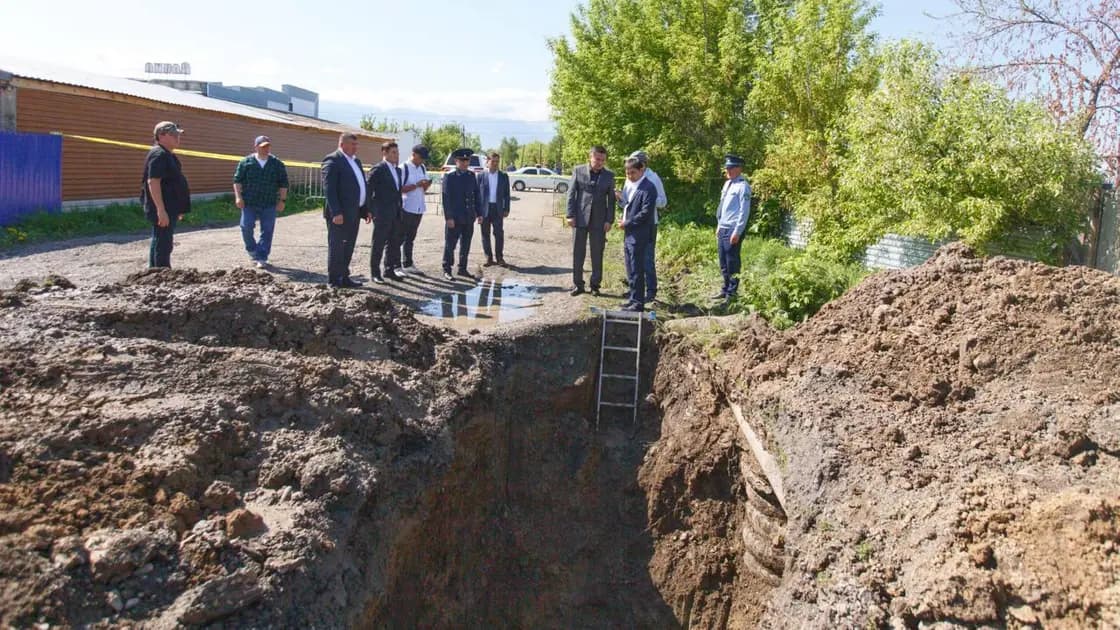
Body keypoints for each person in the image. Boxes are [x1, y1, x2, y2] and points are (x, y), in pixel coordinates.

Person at [321, 133, 370, 288]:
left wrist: (365, 209)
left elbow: (360, 186)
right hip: (340, 214)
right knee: (337, 247)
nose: (356, 147)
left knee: (348, 246)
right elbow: (329, 189)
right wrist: (336, 212)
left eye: (356, 144)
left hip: (354, 212)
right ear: (343, 144)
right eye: (353, 144)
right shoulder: (333, 160)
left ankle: (345, 277)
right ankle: (334, 280)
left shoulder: (356, 161)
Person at [233, 135, 289, 269]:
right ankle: (252, 249)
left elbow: (283, 183)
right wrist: (238, 197)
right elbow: (237, 181)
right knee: (246, 226)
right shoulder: (246, 162)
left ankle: (262, 256)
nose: (266, 149)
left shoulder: (277, 164)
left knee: (267, 230)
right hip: (249, 202)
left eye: (268, 146)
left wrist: (282, 200)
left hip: (269, 202)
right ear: (256, 147)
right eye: (263, 146)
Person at [565, 146, 615, 296]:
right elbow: (571, 193)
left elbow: (611, 200)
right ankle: (578, 285)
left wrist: (609, 220)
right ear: (590, 157)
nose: (600, 162)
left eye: (602, 160)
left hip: (600, 221)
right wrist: (570, 215)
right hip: (579, 218)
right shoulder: (578, 170)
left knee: (597, 253)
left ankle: (595, 285)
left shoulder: (609, 176)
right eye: (597, 159)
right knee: (578, 252)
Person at [141, 121, 191, 268]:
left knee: (162, 239)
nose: (177, 138)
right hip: (163, 208)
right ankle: (162, 274)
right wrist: (161, 210)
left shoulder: (167, 154)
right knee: (163, 242)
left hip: (170, 207)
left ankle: (155, 272)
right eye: (173, 135)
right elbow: (153, 182)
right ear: (161, 136)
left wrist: (178, 208)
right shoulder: (159, 154)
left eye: (178, 134)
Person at [624, 150, 666, 303]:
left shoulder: (653, 179)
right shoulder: (630, 176)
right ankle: (635, 290)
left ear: (643, 165)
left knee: (647, 258)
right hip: (630, 224)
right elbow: (626, 200)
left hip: (649, 223)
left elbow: (663, 201)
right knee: (632, 260)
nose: (630, 173)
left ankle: (651, 291)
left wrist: (647, 202)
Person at [617, 156, 658, 312]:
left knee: (637, 268)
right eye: (627, 173)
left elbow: (645, 213)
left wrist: (627, 223)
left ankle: (638, 303)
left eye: (632, 172)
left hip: (640, 235)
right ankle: (633, 298)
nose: (629, 176)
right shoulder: (632, 185)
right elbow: (628, 206)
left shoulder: (649, 188)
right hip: (629, 234)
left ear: (642, 170)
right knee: (630, 268)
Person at [441, 148, 484, 281]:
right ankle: (447, 269)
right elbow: (446, 198)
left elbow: (476, 195)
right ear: (456, 161)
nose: (465, 163)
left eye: (467, 160)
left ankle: (462, 268)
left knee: (466, 244)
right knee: (450, 245)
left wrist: (479, 213)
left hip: (468, 216)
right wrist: (448, 217)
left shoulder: (471, 176)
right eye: (462, 160)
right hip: (455, 217)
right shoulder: (450, 176)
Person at [714, 154, 751, 303]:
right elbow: (723, 208)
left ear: (738, 169)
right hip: (723, 227)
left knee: (732, 262)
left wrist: (737, 231)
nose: (727, 171)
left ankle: (732, 293)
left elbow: (744, 211)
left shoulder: (743, 186)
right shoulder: (728, 184)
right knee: (723, 261)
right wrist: (719, 225)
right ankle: (725, 288)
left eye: (730, 168)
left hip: (733, 229)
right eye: (726, 168)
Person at [367, 141, 405, 283]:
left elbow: (397, 191)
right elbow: (369, 190)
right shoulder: (378, 169)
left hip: (395, 212)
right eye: (393, 152)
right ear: (385, 153)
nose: (397, 155)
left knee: (393, 242)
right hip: (382, 212)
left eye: (397, 152)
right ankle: (375, 273)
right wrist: (369, 210)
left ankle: (389, 270)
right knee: (379, 243)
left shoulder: (397, 170)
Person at [397, 144, 432, 274]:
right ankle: (395, 266)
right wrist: (416, 185)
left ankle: (408, 263)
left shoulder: (422, 168)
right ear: (414, 154)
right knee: (399, 238)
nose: (422, 160)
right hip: (406, 207)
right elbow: (399, 189)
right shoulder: (403, 168)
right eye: (421, 157)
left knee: (410, 238)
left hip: (418, 207)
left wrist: (426, 185)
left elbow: (424, 188)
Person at [477, 151, 511, 267]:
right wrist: (477, 212)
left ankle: (500, 258)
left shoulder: (503, 176)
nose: (495, 164)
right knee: (485, 234)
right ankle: (488, 258)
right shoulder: (481, 176)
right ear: (488, 161)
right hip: (484, 209)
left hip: (498, 209)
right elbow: (477, 195)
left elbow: (507, 194)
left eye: (497, 161)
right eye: (493, 161)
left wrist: (506, 209)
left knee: (499, 234)